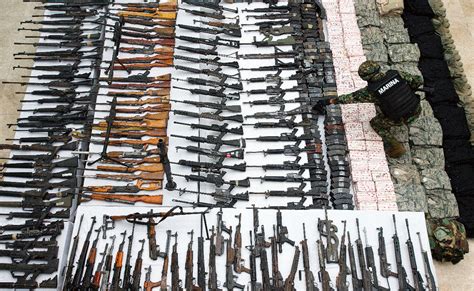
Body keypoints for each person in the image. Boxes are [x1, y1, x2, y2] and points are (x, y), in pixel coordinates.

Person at [318, 60, 424, 158]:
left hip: (401, 118)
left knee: (375, 123)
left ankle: (396, 147)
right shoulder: (397, 75)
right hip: (416, 108)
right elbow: (418, 81)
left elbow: (348, 98)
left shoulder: (371, 92)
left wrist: (329, 101)